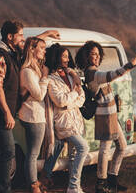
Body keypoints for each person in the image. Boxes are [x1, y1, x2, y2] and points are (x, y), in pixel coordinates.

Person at [0, 20, 60, 193]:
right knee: (8, 152)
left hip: (1, 111)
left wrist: (46, 34)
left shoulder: (11, 52)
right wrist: (7, 113)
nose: (23, 39)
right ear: (10, 37)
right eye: (20, 35)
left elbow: (31, 45)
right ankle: (4, 189)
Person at [75, 41, 136, 193]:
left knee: (122, 147)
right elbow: (113, 75)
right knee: (105, 149)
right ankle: (101, 183)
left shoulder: (95, 71)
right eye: (93, 54)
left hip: (111, 115)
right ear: (87, 56)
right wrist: (131, 64)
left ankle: (112, 180)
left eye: (98, 54)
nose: (97, 57)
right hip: (104, 115)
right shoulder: (92, 73)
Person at [41, 43, 88, 193]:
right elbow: (60, 101)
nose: (68, 59)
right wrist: (74, 94)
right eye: (65, 56)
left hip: (76, 119)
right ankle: (73, 186)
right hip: (63, 123)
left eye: (68, 56)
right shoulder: (50, 79)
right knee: (83, 147)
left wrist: (71, 99)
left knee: (74, 154)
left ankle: (73, 187)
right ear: (57, 58)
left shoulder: (70, 75)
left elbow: (82, 98)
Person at [17, 37, 49, 193]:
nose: (44, 50)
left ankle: (34, 183)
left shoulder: (34, 68)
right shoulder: (27, 71)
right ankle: (33, 186)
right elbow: (39, 95)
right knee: (32, 154)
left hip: (34, 114)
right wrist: (44, 78)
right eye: (41, 48)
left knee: (32, 153)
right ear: (31, 49)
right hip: (33, 116)